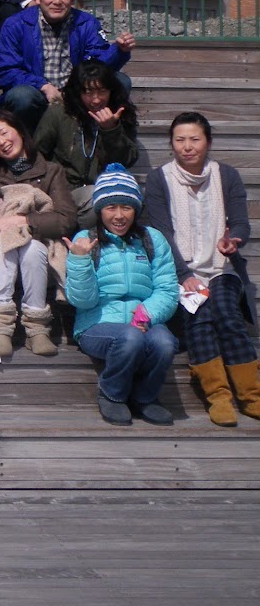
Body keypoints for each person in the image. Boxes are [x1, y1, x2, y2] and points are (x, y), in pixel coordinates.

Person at [144, 113, 259, 427]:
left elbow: (241, 223)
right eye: (180, 140)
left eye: (194, 139)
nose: (187, 147)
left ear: (207, 141)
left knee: (226, 312)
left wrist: (234, 240)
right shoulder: (159, 179)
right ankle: (218, 396)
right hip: (180, 270)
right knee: (200, 316)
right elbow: (162, 233)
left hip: (223, 266)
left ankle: (251, 395)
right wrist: (184, 275)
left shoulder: (227, 175)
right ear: (171, 143)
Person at [66, 165, 178, 426]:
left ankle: (145, 397)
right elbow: (82, 301)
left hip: (144, 319)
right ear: (99, 210)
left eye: (126, 207)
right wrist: (79, 260)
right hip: (97, 323)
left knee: (164, 342)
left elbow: (168, 289)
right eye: (110, 207)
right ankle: (112, 394)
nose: (119, 216)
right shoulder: (85, 240)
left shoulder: (152, 239)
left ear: (135, 210)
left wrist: (145, 315)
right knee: (130, 338)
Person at [0, 110, 78, 358]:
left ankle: (37, 329)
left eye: (4, 132)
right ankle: (0, 328)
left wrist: (23, 219)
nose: (2, 142)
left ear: (19, 130)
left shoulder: (51, 171)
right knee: (6, 240)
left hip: (39, 244)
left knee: (33, 249)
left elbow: (66, 218)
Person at [0, 0, 134, 134]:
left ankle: (103, 139)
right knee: (21, 96)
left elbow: (97, 67)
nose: (57, 1)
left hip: (78, 93)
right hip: (37, 95)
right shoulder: (15, 24)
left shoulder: (87, 23)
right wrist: (43, 86)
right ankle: (29, 145)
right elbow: (7, 70)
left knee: (120, 81)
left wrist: (119, 51)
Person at [35, 60, 140, 227]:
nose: (96, 100)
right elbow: (37, 152)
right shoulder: (59, 112)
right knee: (93, 197)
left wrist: (111, 130)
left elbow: (126, 160)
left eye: (102, 91)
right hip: (63, 191)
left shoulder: (121, 113)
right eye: (88, 92)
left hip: (104, 187)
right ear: (77, 92)